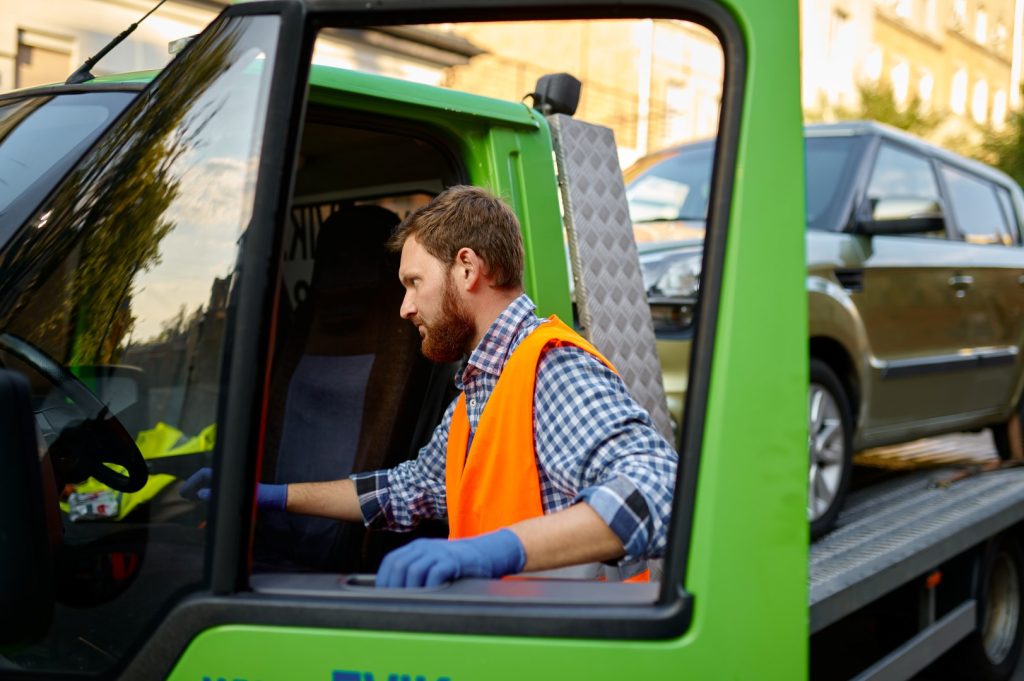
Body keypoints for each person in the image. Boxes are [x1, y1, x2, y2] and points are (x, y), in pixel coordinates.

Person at [183, 185, 678, 588]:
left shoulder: (552, 368)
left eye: (414, 282)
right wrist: (270, 496)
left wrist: (494, 551)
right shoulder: (481, 385)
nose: (404, 307)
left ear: (467, 268)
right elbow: (410, 489)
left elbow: (659, 489)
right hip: (507, 634)